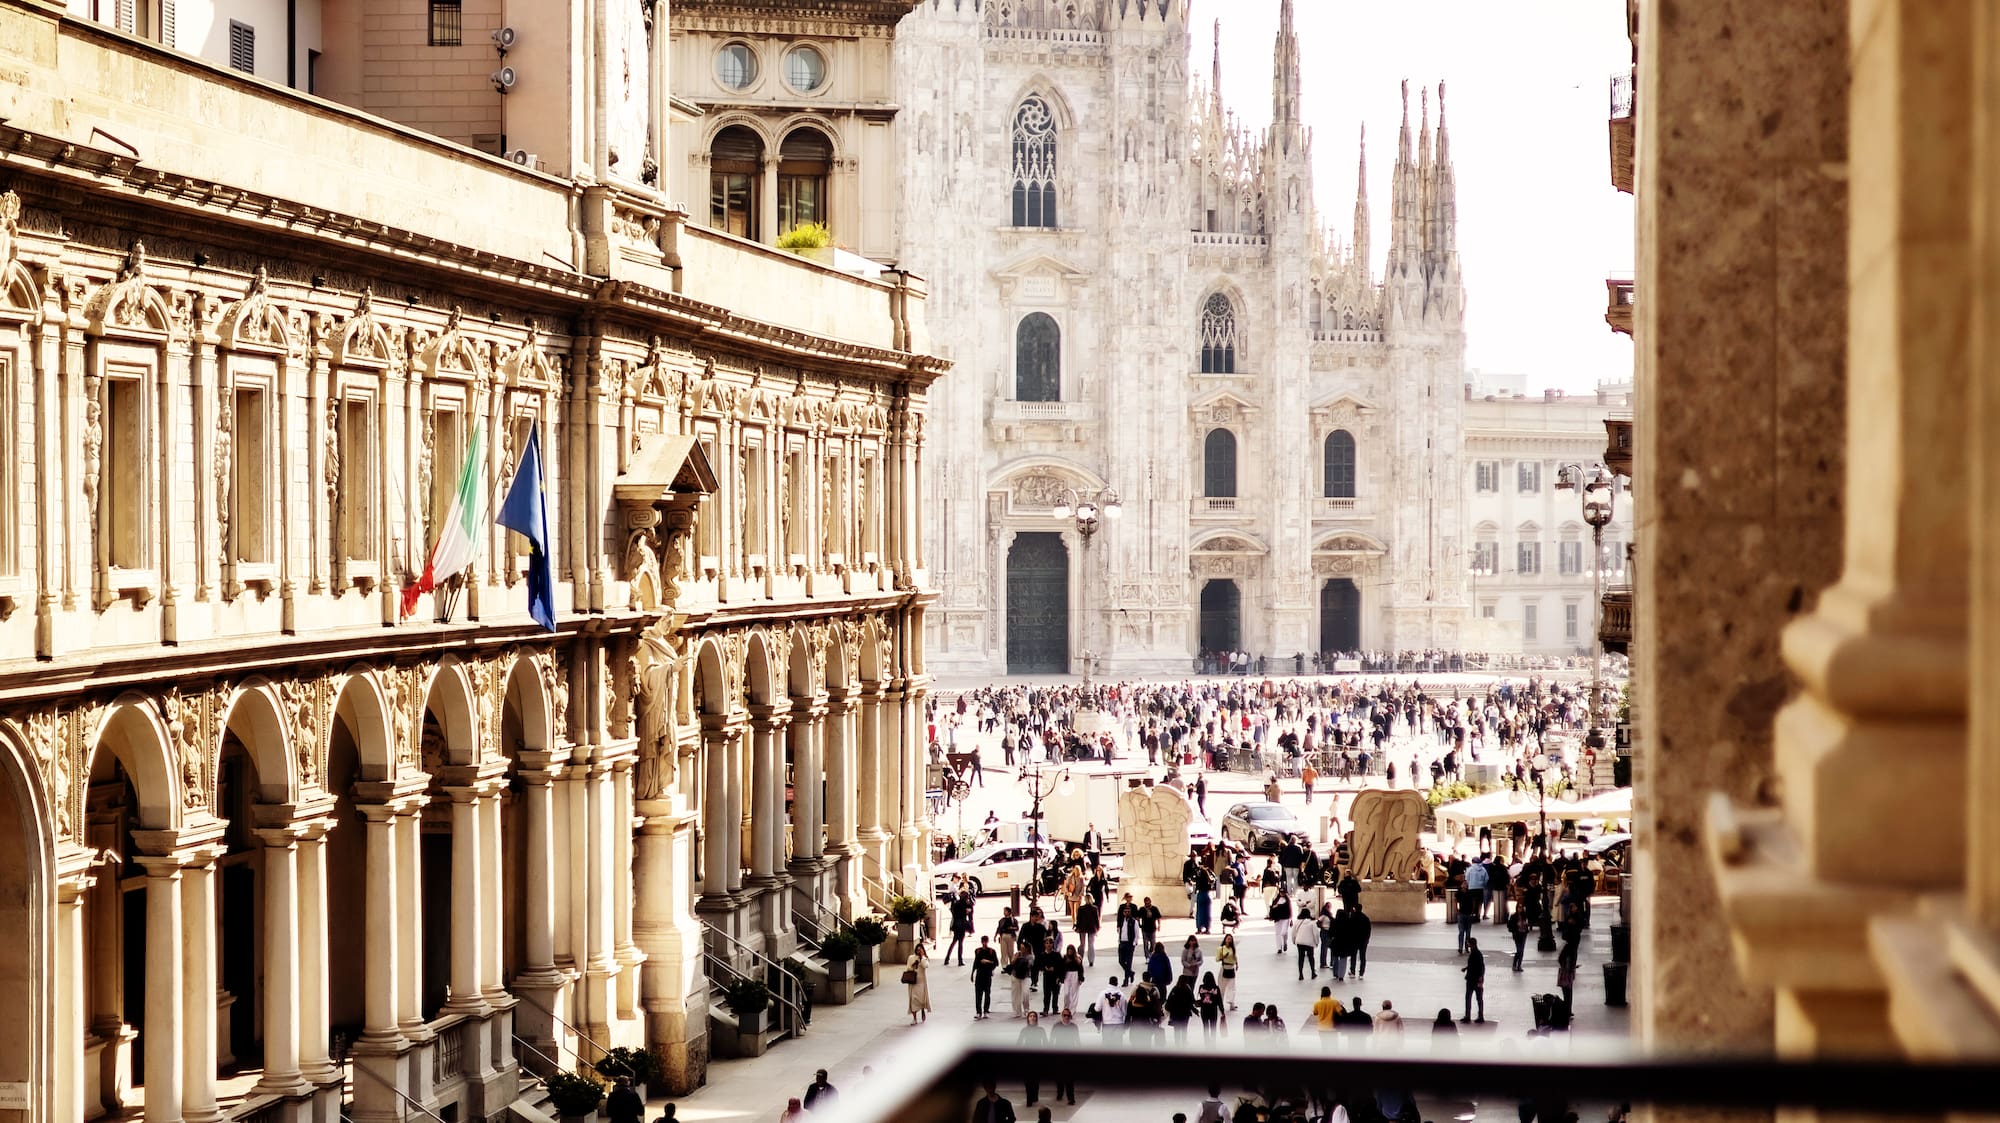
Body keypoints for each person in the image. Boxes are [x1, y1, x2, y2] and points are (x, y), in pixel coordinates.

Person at [1048, 1009, 1079, 1104]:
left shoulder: (1073, 1027)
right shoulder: (1057, 1026)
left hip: (1070, 1054)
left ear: (1070, 1016)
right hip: (1059, 1053)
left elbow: (1077, 1040)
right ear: (1062, 1016)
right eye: (1064, 1015)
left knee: (1070, 1077)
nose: (1066, 1017)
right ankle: (1060, 1092)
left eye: (1068, 1015)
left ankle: (1071, 1098)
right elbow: (1052, 1039)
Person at [1017, 1012, 1045, 1105]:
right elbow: (1019, 1042)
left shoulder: (1041, 1030)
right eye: (1031, 1016)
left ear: (1036, 1018)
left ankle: (1035, 1096)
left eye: (1034, 1016)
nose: (1032, 1018)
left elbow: (1045, 1042)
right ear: (1028, 1018)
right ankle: (1029, 1099)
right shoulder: (1024, 1030)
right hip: (1027, 1056)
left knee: (1036, 1079)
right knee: (1027, 1079)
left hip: (1038, 1057)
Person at [971, 936, 999, 1020]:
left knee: (987, 993)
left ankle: (986, 1011)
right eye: (983, 941)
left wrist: (988, 962)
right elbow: (975, 962)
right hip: (979, 974)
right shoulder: (978, 951)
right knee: (978, 994)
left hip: (987, 974)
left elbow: (996, 963)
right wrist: (972, 973)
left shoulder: (991, 951)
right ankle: (978, 1011)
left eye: (985, 941)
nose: (984, 943)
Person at [1115, 896, 1140, 985]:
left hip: (1130, 943)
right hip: (1122, 942)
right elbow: (1120, 931)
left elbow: (1137, 933)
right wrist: (1119, 940)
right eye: (1125, 912)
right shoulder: (1122, 921)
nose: (1127, 913)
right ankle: (1130, 973)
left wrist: (1134, 942)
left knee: (1129, 962)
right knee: (1121, 961)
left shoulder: (1134, 921)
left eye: (1128, 912)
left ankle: (1126, 980)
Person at [905, 942, 931, 1024]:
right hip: (913, 982)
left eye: (920, 950)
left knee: (921, 1000)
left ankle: (922, 1009)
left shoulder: (924, 959)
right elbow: (908, 967)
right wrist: (914, 965)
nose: (919, 951)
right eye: (918, 950)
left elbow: (926, 966)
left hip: (921, 982)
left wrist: (922, 957)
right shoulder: (911, 957)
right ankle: (914, 1018)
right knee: (913, 1000)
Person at [1462, 937, 1486, 1023]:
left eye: (1468, 943)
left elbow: (1481, 967)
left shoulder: (1476, 954)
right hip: (1474, 978)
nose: (1467, 945)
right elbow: (1475, 965)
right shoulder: (1475, 953)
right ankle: (1479, 1016)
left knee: (1470, 997)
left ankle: (1470, 1016)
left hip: (1473, 979)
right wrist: (1466, 968)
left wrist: (1480, 977)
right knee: (1477, 998)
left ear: (1471, 944)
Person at [947, 891, 975, 966]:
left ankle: (947, 958)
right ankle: (960, 960)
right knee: (960, 943)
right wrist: (966, 911)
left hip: (956, 925)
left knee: (954, 942)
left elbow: (954, 914)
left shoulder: (957, 904)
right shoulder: (964, 905)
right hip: (961, 925)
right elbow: (969, 914)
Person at [1166, 976, 1197, 1043]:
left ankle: (1177, 1043)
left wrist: (1169, 1009)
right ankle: (1183, 1042)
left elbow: (1169, 1000)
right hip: (1185, 1013)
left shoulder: (1175, 989)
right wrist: (1194, 1009)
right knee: (1184, 1028)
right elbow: (1191, 1000)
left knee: (1176, 1030)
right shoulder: (1187, 989)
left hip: (1175, 1013)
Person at [1291, 911, 1319, 980]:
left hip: (1300, 942)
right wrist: (1316, 942)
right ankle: (1313, 973)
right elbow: (1316, 934)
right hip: (1309, 943)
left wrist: (1294, 940)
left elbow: (1293, 933)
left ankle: (1300, 974)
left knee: (1301, 958)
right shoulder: (1312, 923)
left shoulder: (1297, 922)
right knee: (1311, 957)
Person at [1196, 971, 1224, 1039]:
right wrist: (1222, 1011)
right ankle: (1213, 1042)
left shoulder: (1201, 987)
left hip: (1204, 1010)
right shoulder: (1216, 988)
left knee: (1205, 1027)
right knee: (1213, 1027)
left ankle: (1206, 1042)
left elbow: (1201, 996)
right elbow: (1219, 1000)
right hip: (1213, 1010)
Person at [1074, 895, 1100, 967]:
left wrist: (1077, 927)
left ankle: (1080, 958)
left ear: (1085, 899)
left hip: (1082, 927)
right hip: (1092, 928)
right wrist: (1097, 928)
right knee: (1091, 945)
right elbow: (1097, 920)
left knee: (1082, 944)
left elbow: (1078, 919)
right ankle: (1091, 960)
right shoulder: (1094, 908)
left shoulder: (1081, 908)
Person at [1216, 933, 1240, 1009]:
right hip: (1224, 968)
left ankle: (1231, 1004)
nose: (1229, 940)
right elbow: (1217, 959)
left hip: (1231, 968)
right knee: (1222, 987)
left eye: (1230, 939)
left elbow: (1235, 957)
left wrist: (1236, 964)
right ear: (1225, 940)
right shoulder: (1221, 948)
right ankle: (1220, 1003)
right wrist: (1223, 956)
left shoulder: (1232, 948)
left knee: (1232, 987)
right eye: (1228, 939)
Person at [1508, 903, 1531, 972]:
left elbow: (1527, 923)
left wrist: (1526, 925)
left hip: (1523, 934)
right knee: (1519, 950)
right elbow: (1510, 926)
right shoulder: (1513, 916)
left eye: (1521, 907)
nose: (1520, 909)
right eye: (1519, 907)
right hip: (1517, 935)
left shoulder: (1524, 916)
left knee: (1522, 951)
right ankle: (1514, 964)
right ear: (1517, 908)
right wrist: (1515, 927)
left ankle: (1519, 965)